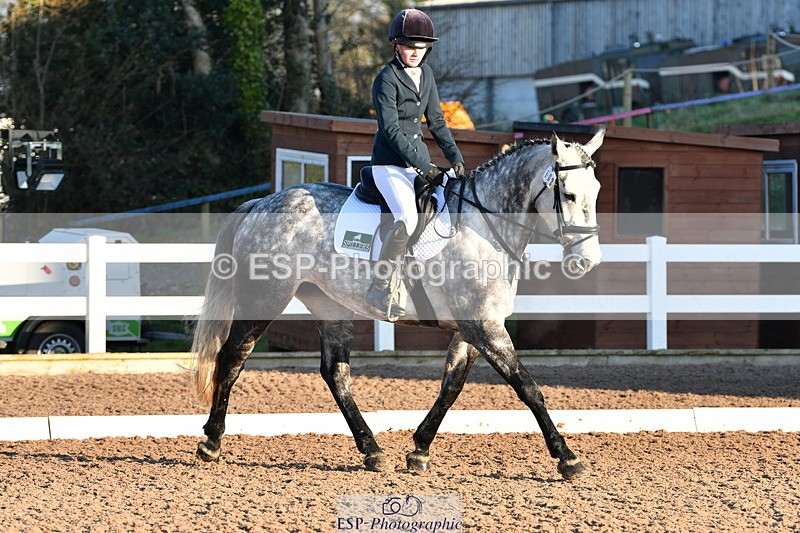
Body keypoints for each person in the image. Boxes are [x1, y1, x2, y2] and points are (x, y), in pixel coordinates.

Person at [367, 7, 466, 317]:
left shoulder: (427, 75)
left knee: (449, 207)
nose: (414, 52)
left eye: (420, 47)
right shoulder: (386, 79)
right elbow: (391, 131)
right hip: (389, 166)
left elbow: (436, 121)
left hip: (417, 162)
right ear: (396, 46)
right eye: (409, 46)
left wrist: (455, 158)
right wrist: (426, 167)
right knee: (407, 219)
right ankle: (380, 286)